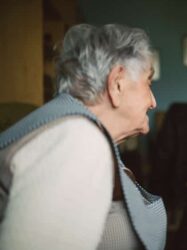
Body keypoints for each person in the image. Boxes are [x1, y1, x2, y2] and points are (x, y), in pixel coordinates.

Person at [0, 24, 166, 250]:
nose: (153, 101)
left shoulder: (76, 132)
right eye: (149, 82)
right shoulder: (79, 140)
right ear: (117, 84)